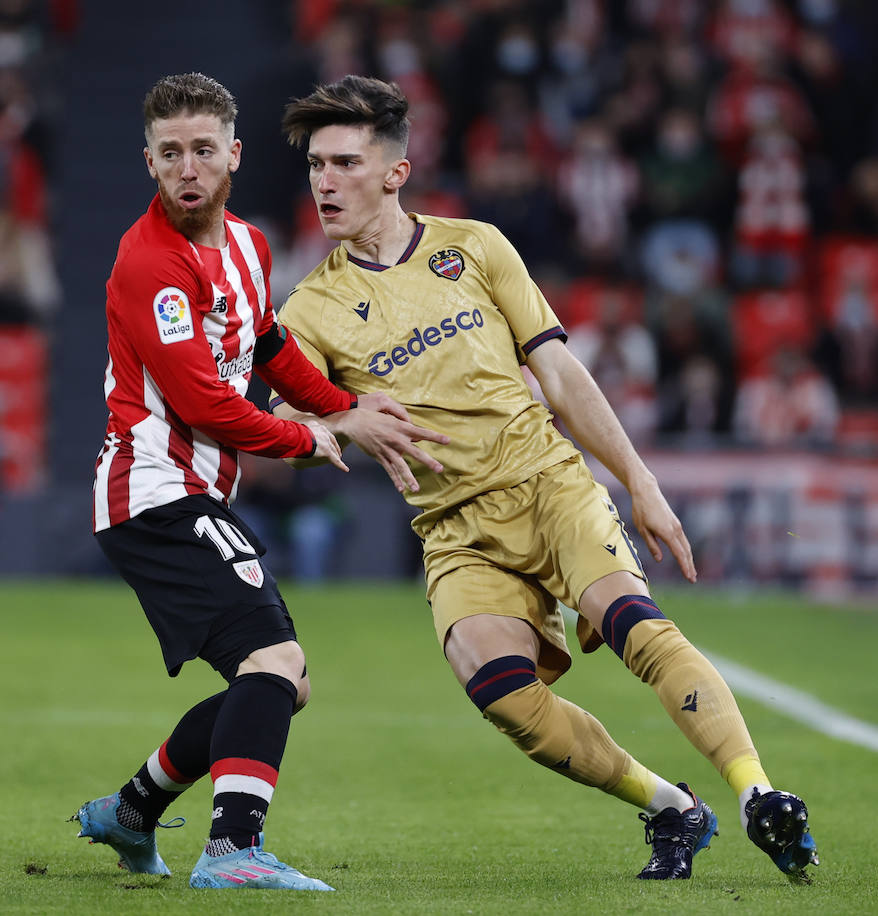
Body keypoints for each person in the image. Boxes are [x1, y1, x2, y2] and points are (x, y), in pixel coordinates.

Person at [271, 75, 818, 883]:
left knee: (637, 625)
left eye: (345, 161)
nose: (323, 181)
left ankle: (757, 795)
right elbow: (291, 433)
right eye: (316, 163)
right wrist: (334, 425)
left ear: (394, 171)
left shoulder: (478, 246)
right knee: (504, 698)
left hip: (546, 482)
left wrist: (638, 478)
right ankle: (674, 807)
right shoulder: (308, 311)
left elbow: (559, 375)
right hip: (453, 529)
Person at [73, 72, 444, 892]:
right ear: (149, 163)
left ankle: (132, 811)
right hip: (153, 492)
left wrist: (349, 406)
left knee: (283, 683)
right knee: (273, 659)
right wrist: (316, 436)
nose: (188, 168)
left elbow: (269, 345)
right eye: (170, 153)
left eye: (203, 149)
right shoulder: (148, 265)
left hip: (193, 494)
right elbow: (207, 404)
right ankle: (231, 851)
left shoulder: (247, 244)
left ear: (233, 155)